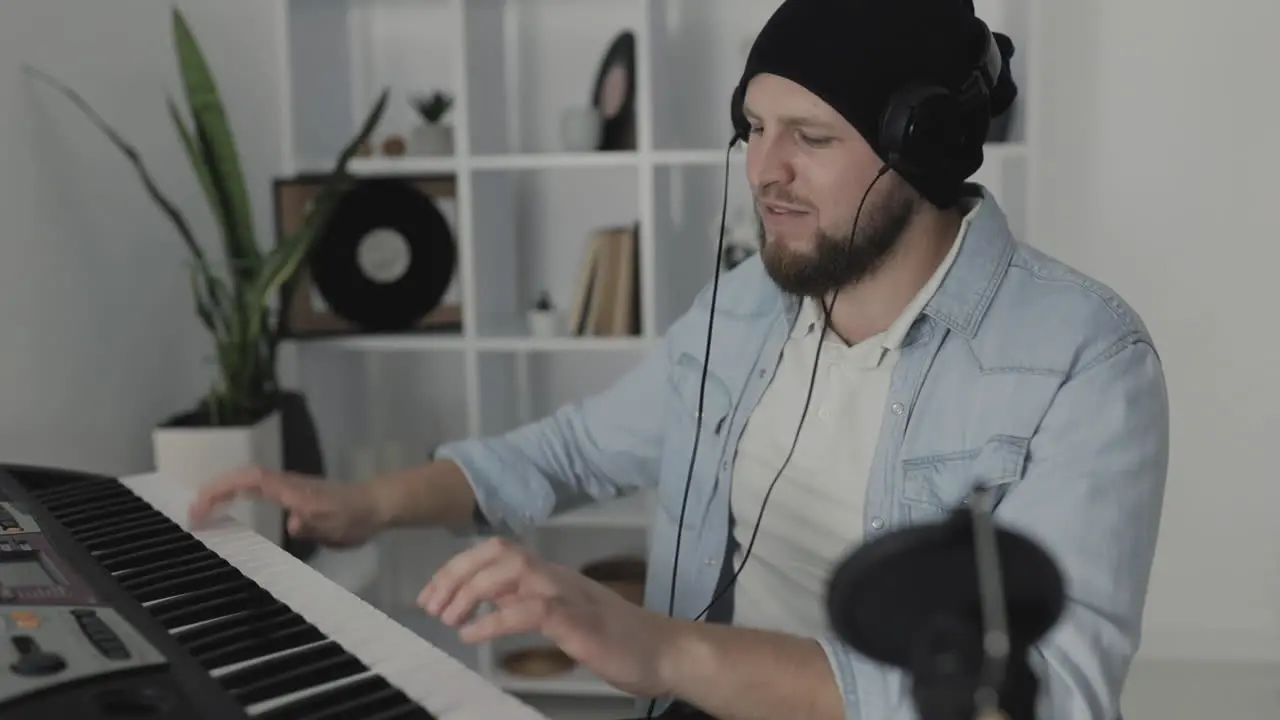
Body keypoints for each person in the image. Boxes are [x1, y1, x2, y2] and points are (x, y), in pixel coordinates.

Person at [189, 1, 1170, 718]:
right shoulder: (747, 305)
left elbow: (1058, 696)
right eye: (750, 127)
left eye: (809, 137)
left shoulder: (1084, 357)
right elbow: (568, 452)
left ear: (926, 146)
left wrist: (665, 653)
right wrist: (360, 506)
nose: (761, 169)